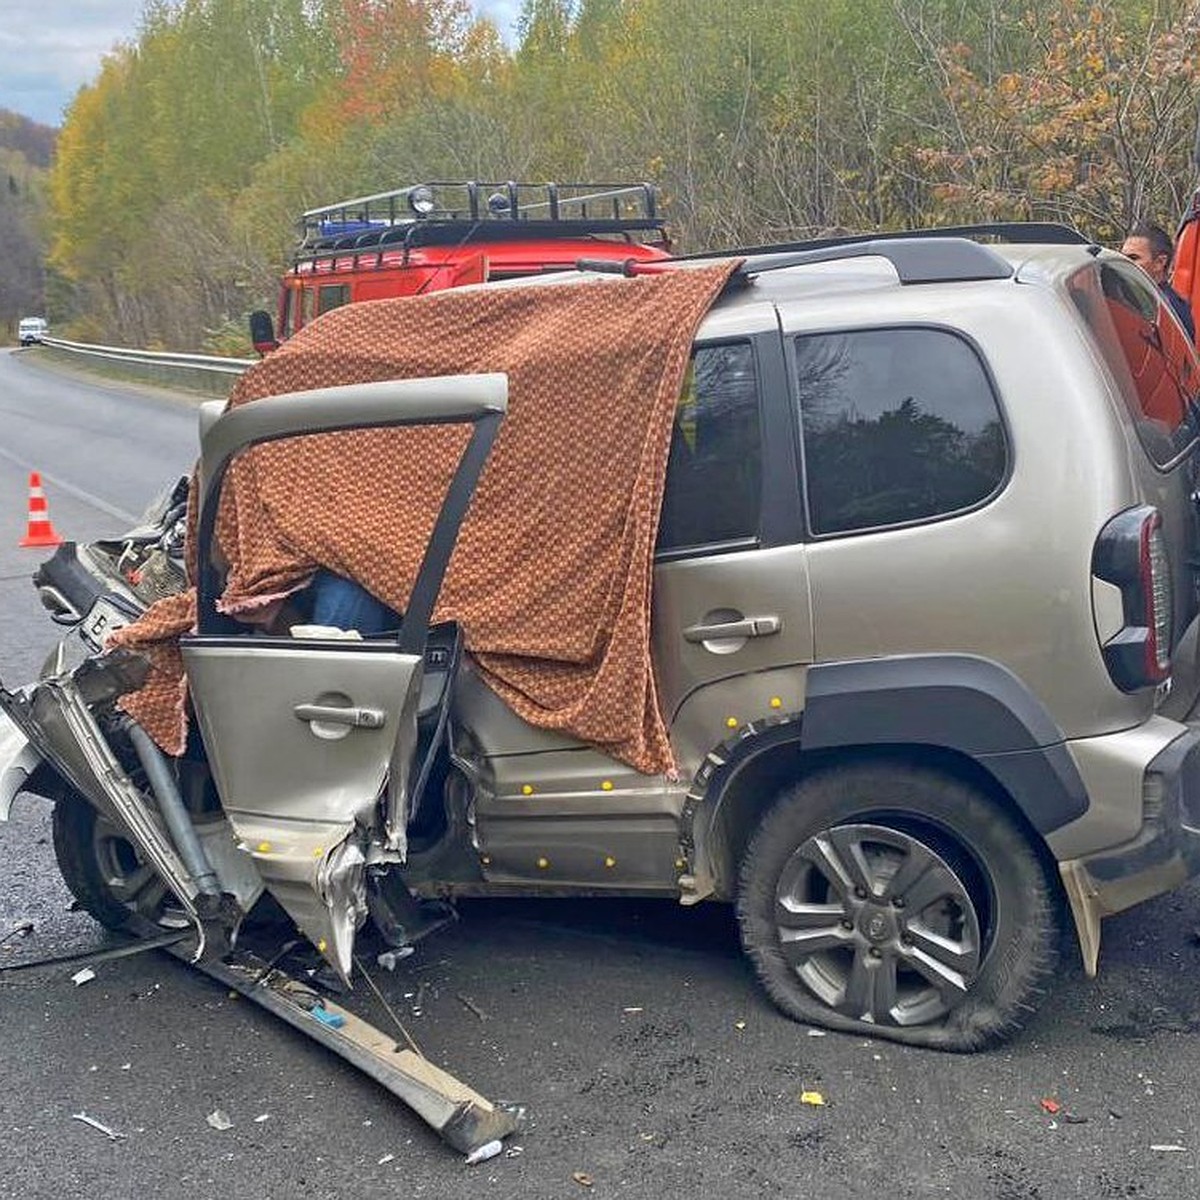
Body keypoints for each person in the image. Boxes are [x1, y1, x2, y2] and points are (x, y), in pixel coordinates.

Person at [1121, 221, 1195, 340]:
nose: (1124, 263)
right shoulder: (1130, 297)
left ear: (1160, 262)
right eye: (1123, 257)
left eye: (1133, 258)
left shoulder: (1171, 313)